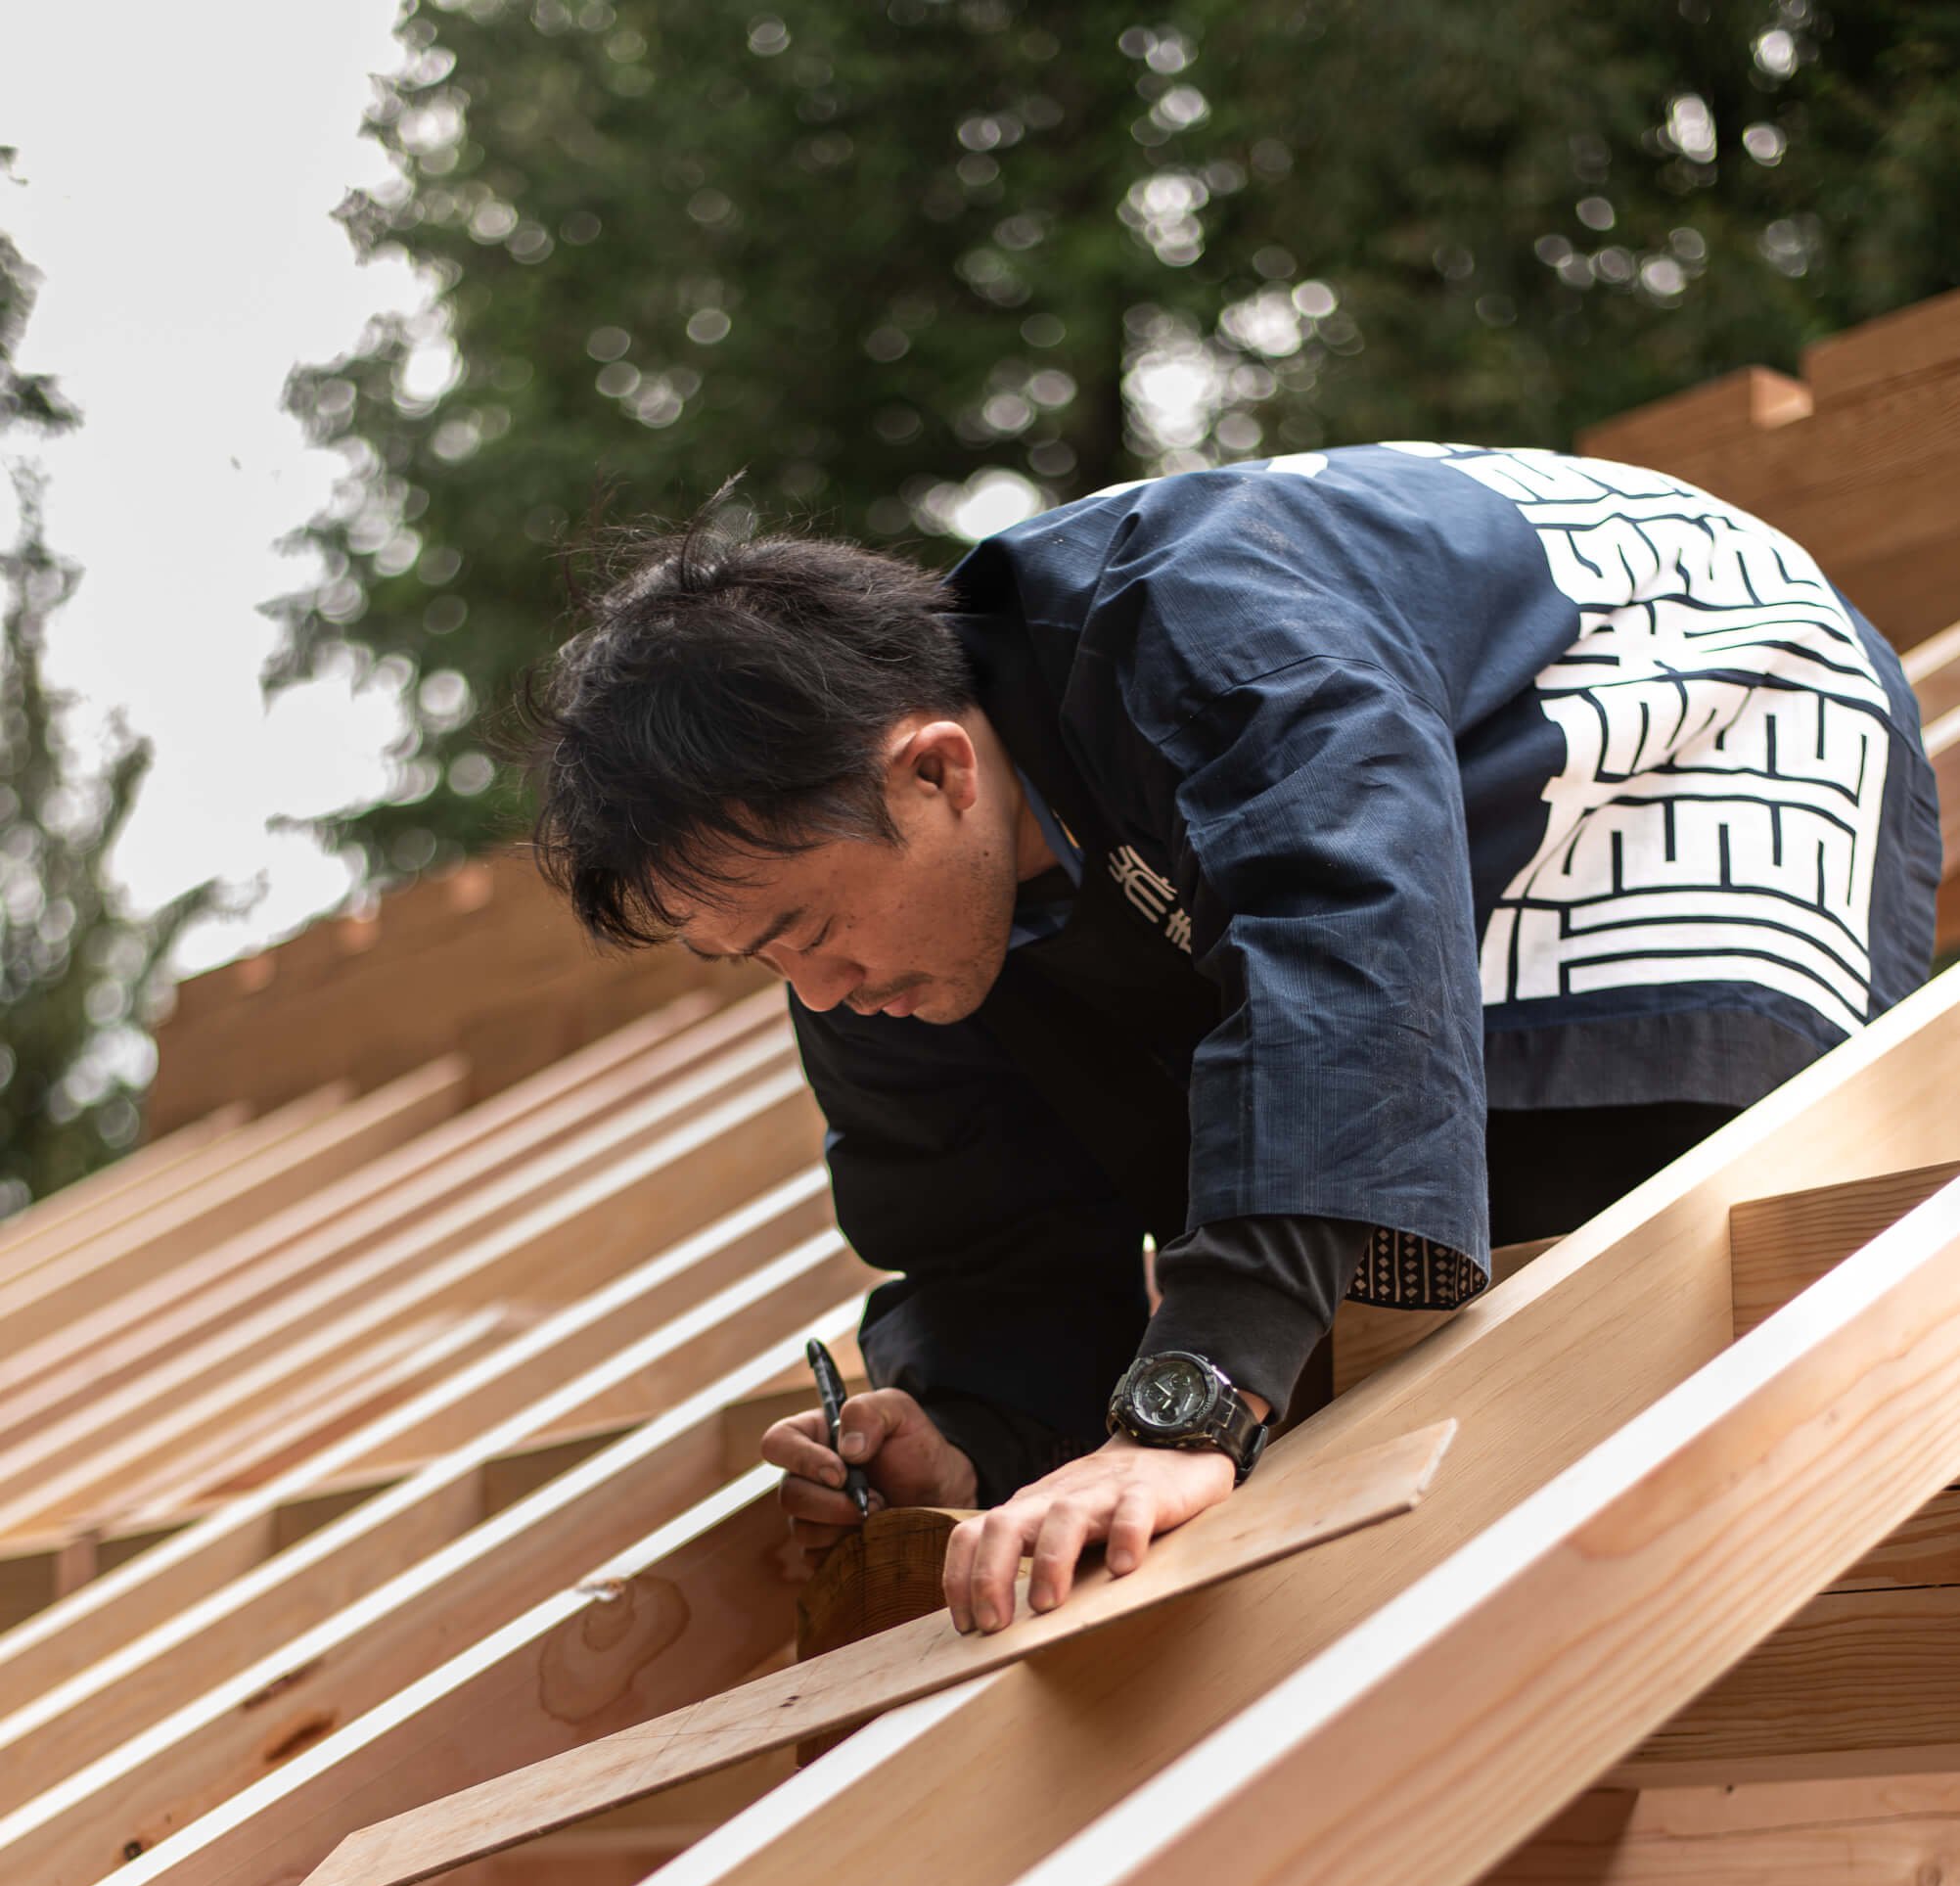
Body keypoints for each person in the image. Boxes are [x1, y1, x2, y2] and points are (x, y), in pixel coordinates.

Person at [524, 448, 1942, 1630]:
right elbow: (988, 1234)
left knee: (1534, 1286)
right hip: (1425, 796)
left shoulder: (1196, 616)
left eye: (802, 925)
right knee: (1312, 1297)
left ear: (935, 770)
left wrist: (1189, 1411)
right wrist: (966, 1429)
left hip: (1687, 696)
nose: (814, 988)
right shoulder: (880, 936)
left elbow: (1346, 928)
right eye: (755, 957)